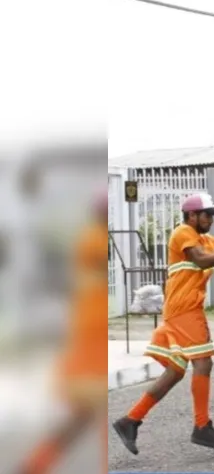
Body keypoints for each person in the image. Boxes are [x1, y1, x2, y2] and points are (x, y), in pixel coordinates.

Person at [112, 191, 214, 455]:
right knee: (203, 361)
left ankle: (130, 421)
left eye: (213, 216)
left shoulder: (204, 238)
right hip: (184, 310)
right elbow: (201, 260)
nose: (211, 220)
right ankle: (202, 426)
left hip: (181, 309)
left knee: (175, 372)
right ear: (192, 215)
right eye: (207, 215)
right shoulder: (183, 233)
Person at [19, 190, 111, 474]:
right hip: (89, 364)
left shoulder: (87, 262)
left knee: (78, 421)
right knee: (96, 420)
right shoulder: (94, 244)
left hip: (83, 362)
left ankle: (33, 466)